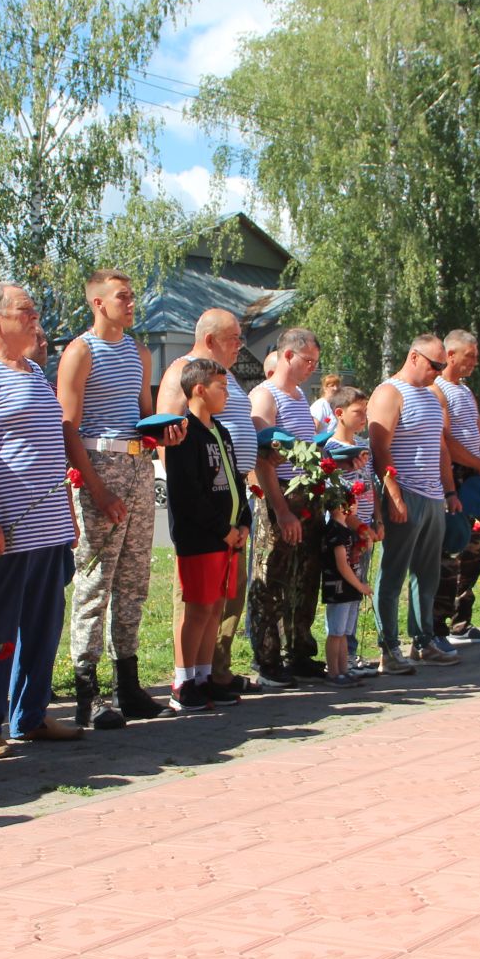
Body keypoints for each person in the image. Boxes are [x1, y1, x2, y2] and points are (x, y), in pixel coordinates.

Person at [0, 281, 83, 751]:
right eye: (24, 310)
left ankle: (32, 715)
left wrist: (68, 513)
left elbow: (47, 450)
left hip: (49, 530)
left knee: (44, 627)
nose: (35, 317)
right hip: (4, 530)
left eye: (34, 309)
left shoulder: (31, 372)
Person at [58, 269, 177, 730]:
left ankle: (126, 684)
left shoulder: (138, 351)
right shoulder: (80, 352)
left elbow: (144, 417)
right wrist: (96, 487)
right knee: (95, 579)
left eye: (132, 296)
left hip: (137, 464)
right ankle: (86, 692)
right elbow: (70, 426)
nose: (131, 303)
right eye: (122, 297)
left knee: (133, 577)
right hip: (99, 464)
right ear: (98, 303)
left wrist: (164, 431)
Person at [157, 308, 258, 696]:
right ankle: (187, 680)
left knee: (220, 601)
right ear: (212, 339)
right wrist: (214, 522)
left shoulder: (222, 410)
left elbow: (232, 467)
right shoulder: (182, 378)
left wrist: (242, 515)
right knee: (197, 604)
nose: (240, 345)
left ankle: (210, 673)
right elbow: (176, 458)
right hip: (203, 523)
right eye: (234, 338)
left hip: (229, 516)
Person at [368, 333, 461, 669]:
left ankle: (423, 641)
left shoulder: (432, 394)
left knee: (427, 573)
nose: (439, 371)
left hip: (433, 495)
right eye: (435, 364)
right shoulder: (389, 392)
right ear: (414, 357)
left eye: (442, 365)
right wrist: (393, 495)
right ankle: (388, 648)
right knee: (393, 573)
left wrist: (449, 492)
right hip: (405, 492)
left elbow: (439, 447)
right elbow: (381, 449)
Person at [248, 327, 327, 686]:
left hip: (306, 496)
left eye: (316, 362)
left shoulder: (298, 396)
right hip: (279, 498)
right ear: (289, 356)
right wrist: (281, 511)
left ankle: (299, 652)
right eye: (308, 360)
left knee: (304, 579)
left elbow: (307, 453)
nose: (312, 367)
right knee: (271, 580)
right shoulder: (266, 396)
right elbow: (264, 461)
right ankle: (267, 659)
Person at [432, 330, 480, 646]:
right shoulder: (438, 389)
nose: (475, 361)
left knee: (472, 552)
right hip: (454, 478)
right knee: (449, 551)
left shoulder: (465, 390)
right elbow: (445, 440)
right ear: (451, 355)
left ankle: (462, 620)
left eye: (476, 355)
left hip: (473, 478)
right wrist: (478, 464)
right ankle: (436, 626)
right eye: (469, 355)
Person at [322, 385, 381, 673]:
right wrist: (358, 526)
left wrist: (376, 521)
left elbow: (370, 486)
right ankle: (341, 660)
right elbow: (337, 496)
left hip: (365, 528)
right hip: (347, 532)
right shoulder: (330, 450)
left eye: (366, 412)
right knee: (345, 592)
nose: (364, 418)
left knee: (355, 594)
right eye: (358, 412)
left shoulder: (364, 445)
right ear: (339, 413)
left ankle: (350, 654)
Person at [320, 491, 372, 687]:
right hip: (340, 588)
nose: (356, 507)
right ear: (343, 507)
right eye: (354, 503)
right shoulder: (335, 531)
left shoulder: (345, 530)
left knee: (343, 632)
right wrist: (361, 586)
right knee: (335, 632)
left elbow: (352, 556)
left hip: (350, 588)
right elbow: (342, 565)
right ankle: (333, 672)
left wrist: (364, 544)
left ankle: (343, 670)